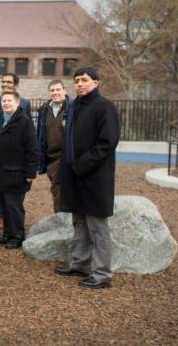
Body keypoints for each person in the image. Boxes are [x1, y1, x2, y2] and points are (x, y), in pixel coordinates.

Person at [56, 67, 119, 289]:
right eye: (76, 81)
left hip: (94, 177)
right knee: (79, 222)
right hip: (75, 176)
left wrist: (81, 164)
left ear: (96, 82)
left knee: (97, 227)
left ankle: (102, 274)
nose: (79, 84)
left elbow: (107, 143)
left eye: (84, 80)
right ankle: (80, 263)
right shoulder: (75, 107)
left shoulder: (105, 107)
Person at [0, 91, 38, 249]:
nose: (5, 103)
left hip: (17, 172)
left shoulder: (24, 122)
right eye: (3, 101)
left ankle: (17, 236)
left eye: (9, 101)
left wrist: (30, 173)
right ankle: (7, 234)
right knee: (3, 203)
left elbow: (32, 149)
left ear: (17, 103)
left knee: (14, 205)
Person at [0, 73, 32, 231]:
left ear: (15, 85)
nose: (5, 84)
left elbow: (29, 130)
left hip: (16, 155)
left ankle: (13, 220)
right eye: (3, 82)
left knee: (14, 191)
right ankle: (0, 217)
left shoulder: (25, 103)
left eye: (9, 82)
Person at [36, 79, 71, 213]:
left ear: (64, 91)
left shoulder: (72, 108)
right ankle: (62, 217)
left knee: (59, 187)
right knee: (56, 187)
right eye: (52, 90)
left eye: (58, 89)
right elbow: (40, 133)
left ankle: (60, 217)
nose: (55, 93)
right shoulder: (44, 110)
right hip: (50, 157)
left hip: (66, 155)